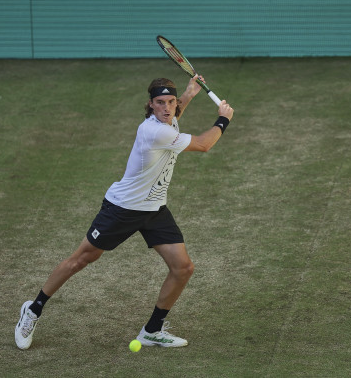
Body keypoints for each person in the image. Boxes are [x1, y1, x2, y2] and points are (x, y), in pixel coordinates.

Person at [15, 74, 234, 350]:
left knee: (183, 268)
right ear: (150, 105)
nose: (167, 108)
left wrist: (189, 94)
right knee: (81, 259)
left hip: (154, 209)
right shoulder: (155, 131)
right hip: (123, 209)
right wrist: (223, 118)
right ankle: (33, 309)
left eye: (170, 102)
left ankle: (152, 330)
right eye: (160, 103)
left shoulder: (167, 121)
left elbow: (175, 115)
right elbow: (203, 144)